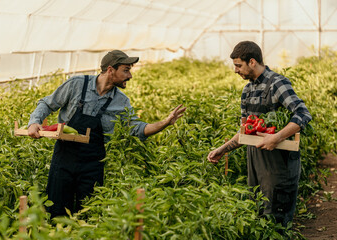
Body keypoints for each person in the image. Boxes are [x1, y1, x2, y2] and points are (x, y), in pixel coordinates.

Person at [28, 50, 186, 218]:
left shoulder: (121, 101)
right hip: (64, 160)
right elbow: (47, 103)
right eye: (126, 70)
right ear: (111, 70)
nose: (130, 75)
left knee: (87, 214)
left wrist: (165, 123)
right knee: (56, 212)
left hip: (92, 165)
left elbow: (137, 128)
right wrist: (34, 122)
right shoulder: (77, 84)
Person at [207, 41, 312, 227]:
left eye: (238, 65)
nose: (235, 71)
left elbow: (303, 114)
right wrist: (223, 149)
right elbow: (244, 131)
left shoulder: (277, 83)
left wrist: (277, 137)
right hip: (256, 161)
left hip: (279, 161)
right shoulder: (247, 90)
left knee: (276, 218)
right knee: (258, 213)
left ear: (252, 62)